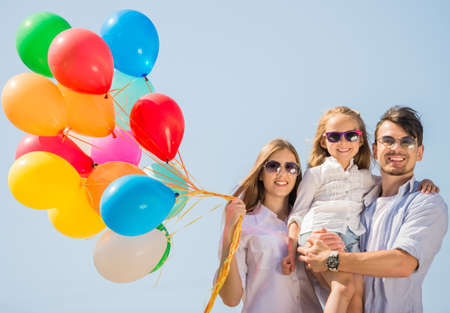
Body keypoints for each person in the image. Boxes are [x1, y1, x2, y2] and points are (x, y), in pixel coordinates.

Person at [282, 106, 439, 313]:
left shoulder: (370, 181)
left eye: (351, 136)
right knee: (345, 287)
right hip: (320, 233)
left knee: (356, 293)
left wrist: (424, 182)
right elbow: (298, 213)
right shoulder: (317, 174)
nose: (343, 142)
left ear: (361, 141)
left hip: (348, 238)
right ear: (323, 141)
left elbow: (404, 263)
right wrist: (292, 250)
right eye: (334, 137)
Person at [217, 138, 338, 313]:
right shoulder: (244, 226)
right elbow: (231, 299)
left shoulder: (311, 222)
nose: (282, 173)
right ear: (260, 173)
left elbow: (329, 283)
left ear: (297, 176)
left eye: (291, 167)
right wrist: (228, 234)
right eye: (273, 166)